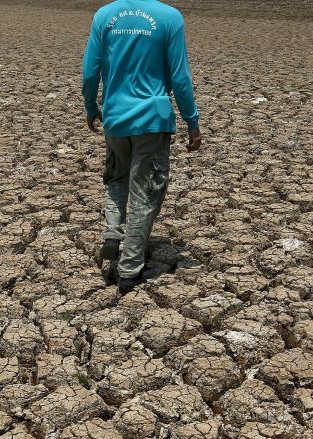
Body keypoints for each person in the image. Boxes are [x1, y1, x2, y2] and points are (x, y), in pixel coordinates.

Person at [82, 0, 201, 295]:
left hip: (115, 118)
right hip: (152, 120)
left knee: (116, 177)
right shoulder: (169, 17)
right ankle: (129, 270)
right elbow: (180, 77)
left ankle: (112, 233)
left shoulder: (105, 15)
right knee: (145, 194)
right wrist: (192, 119)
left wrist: (91, 106)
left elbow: (90, 71)